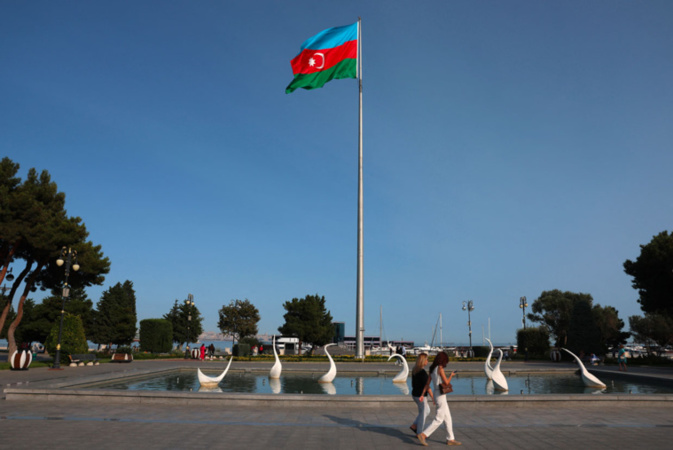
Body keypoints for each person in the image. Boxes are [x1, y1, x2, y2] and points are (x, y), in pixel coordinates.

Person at [418, 351, 460, 446]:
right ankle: (424, 434)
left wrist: (422, 394)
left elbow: (427, 384)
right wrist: (451, 376)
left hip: (437, 393)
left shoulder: (432, 369)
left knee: (448, 418)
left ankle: (450, 439)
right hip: (441, 395)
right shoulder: (440, 368)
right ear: (443, 360)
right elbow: (446, 383)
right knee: (439, 419)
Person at [410, 353, 433, 436]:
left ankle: (414, 425)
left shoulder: (415, 369)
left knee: (426, 411)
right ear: (423, 361)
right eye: (427, 359)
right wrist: (433, 398)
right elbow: (427, 386)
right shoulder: (422, 372)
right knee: (423, 414)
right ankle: (419, 433)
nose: (428, 361)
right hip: (420, 396)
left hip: (415, 394)